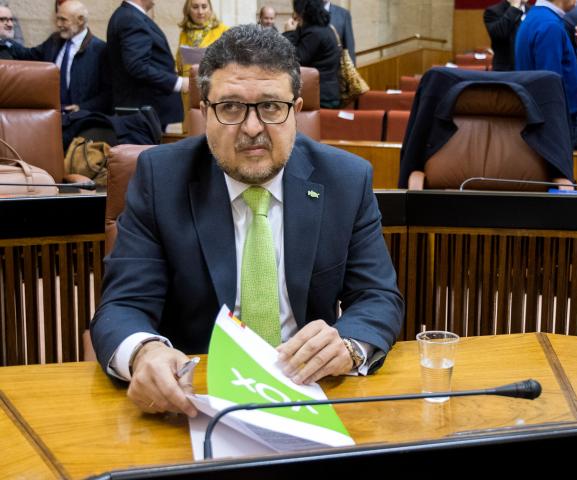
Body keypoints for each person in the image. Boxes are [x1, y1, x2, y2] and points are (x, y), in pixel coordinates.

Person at [90, 24, 404, 416]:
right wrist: (144, 351)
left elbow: (377, 296)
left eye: (271, 106)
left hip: (309, 393)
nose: (252, 128)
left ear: (296, 111)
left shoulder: (345, 179)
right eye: (230, 107)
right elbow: (123, 305)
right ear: (205, 112)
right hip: (194, 397)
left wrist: (347, 345)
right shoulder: (161, 178)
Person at [3, 1, 110, 114]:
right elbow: (29, 55)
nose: (58, 24)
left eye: (63, 20)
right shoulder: (54, 41)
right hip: (52, 115)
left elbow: (108, 93)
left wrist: (81, 108)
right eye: (57, 19)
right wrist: (5, 41)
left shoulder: (99, 50)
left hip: (82, 118)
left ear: (80, 20)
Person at [515, 0, 577, 148]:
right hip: (557, 120)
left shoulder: (536, 16)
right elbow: (550, 82)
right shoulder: (549, 25)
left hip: (544, 114)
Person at [107, 0, 186, 129]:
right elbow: (137, 66)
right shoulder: (131, 19)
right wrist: (177, 83)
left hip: (145, 110)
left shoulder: (129, 15)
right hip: (143, 111)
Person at [284, 0, 341, 108]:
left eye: (297, 11)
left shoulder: (314, 33)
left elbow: (294, 59)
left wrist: (289, 32)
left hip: (321, 97)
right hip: (325, 92)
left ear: (303, 12)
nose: (295, 15)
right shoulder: (323, 28)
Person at [176, 0, 228, 115]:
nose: (200, 12)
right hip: (189, 88)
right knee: (192, 122)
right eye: (195, 7)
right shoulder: (184, 33)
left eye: (204, 7)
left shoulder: (223, 30)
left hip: (212, 86)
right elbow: (179, 61)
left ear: (210, 8)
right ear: (188, 10)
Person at [483, 0, 530, 71]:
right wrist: (514, 8)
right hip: (506, 70)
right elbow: (500, 33)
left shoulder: (532, 10)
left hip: (529, 68)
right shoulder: (493, 11)